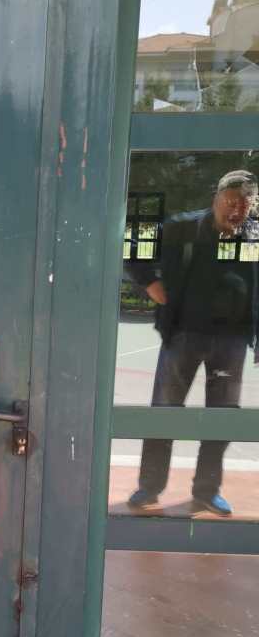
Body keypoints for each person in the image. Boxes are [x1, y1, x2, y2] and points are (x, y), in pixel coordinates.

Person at [126, 169, 259, 516]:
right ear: (216, 198)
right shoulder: (182, 227)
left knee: (221, 417)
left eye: (244, 205)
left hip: (231, 341)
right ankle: (149, 486)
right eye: (230, 202)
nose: (236, 210)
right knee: (165, 411)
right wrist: (149, 282)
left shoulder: (254, 234)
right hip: (183, 334)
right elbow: (134, 243)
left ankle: (207, 491)